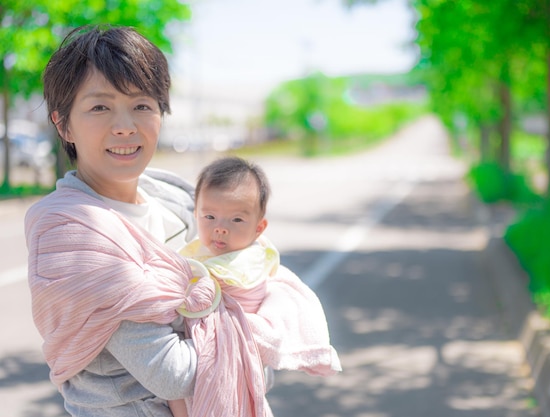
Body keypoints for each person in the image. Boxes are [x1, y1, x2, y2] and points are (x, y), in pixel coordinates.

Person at [24, 25, 269, 417]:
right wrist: (256, 347)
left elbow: (268, 287)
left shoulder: (180, 203)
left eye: (142, 105)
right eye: (99, 107)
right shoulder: (75, 233)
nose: (125, 126)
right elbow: (173, 375)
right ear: (63, 124)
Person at [169, 156, 342, 417]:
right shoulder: (208, 251)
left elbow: (197, 293)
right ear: (196, 214)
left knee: (188, 401)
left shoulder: (243, 262)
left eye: (236, 220)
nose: (220, 229)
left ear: (259, 228)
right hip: (208, 351)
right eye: (210, 216)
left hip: (228, 355)